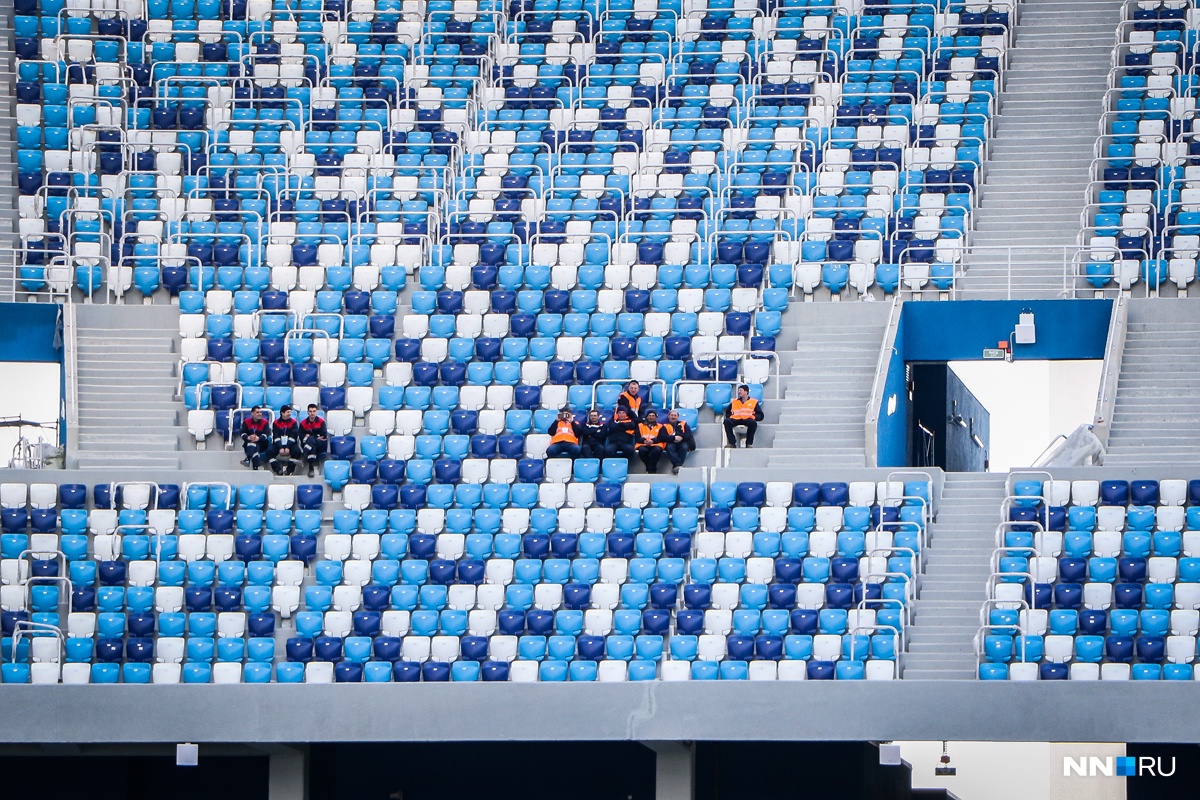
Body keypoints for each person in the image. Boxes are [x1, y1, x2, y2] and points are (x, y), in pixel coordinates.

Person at [269, 404, 301, 476]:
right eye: (288, 412)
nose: (289, 414)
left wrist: (287, 447)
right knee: (269, 452)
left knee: (297, 451)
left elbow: (294, 436)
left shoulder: (293, 422)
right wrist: (280, 447)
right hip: (278, 444)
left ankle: (289, 470)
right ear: (282, 413)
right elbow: (276, 436)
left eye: (290, 412)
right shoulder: (276, 423)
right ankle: (277, 470)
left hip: (290, 444)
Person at [635, 409, 669, 474]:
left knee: (656, 451)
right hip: (643, 444)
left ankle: (650, 468)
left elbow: (662, 437)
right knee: (642, 450)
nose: (651, 417)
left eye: (653, 416)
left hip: (656, 444)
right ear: (646, 417)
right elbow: (637, 437)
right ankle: (651, 468)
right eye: (649, 415)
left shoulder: (661, 426)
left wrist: (653, 441)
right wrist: (644, 441)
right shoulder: (640, 425)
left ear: (656, 417)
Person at [299, 403, 328, 478]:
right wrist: (316, 436)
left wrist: (310, 436)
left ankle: (303, 457)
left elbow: (324, 435)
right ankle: (311, 468)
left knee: (311, 439)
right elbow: (301, 436)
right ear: (307, 412)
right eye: (310, 411)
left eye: (314, 411)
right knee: (312, 445)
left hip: (321, 444)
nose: (312, 413)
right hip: (309, 444)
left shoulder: (321, 422)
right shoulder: (303, 423)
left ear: (317, 411)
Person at [664, 409, 696, 474]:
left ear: (678, 417)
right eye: (672, 415)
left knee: (684, 447)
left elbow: (688, 434)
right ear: (668, 416)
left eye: (675, 415)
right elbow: (663, 437)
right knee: (669, 448)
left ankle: (676, 466)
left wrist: (681, 437)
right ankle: (678, 465)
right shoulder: (664, 426)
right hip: (671, 442)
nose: (673, 417)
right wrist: (674, 438)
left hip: (683, 441)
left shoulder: (684, 424)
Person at [239, 406, 270, 470]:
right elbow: (242, 433)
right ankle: (256, 466)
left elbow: (266, 434)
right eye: (257, 412)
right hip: (249, 443)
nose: (260, 414)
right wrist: (248, 437)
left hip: (262, 444)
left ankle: (248, 458)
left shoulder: (265, 422)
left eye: (261, 412)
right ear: (252, 413)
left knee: (254, 444)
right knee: (254, 447)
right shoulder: (247, 422)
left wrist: (258, 438)